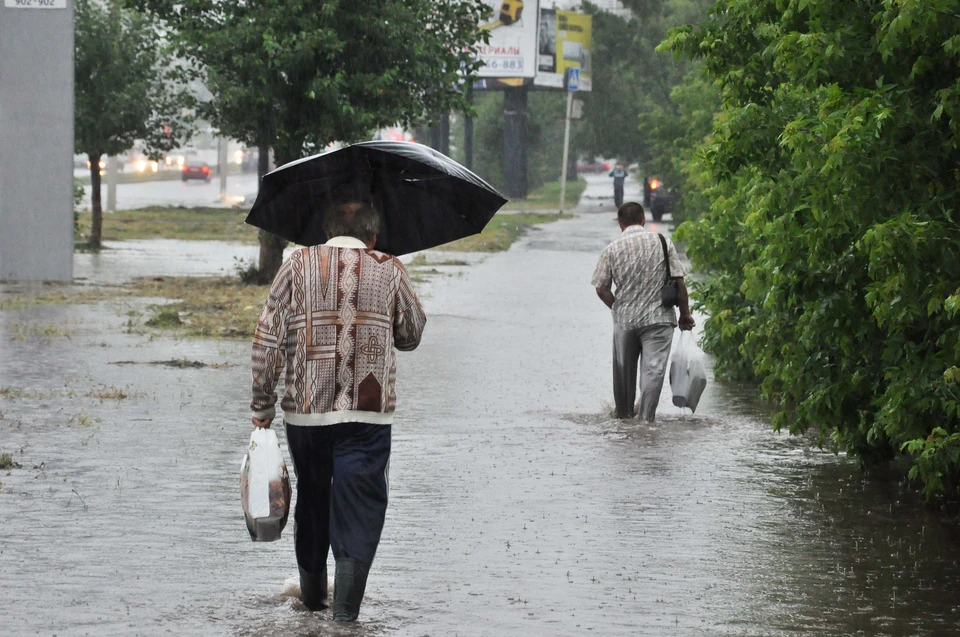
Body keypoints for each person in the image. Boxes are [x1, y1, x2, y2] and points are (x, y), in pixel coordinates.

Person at [250, 201, 426, 622]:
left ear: (326, 231)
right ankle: (345, 620)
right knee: (361, 504)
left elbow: (267, 340)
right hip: (367, 417)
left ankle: (312, 603)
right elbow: (412, 333)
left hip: (306, 415)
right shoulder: (390, 267)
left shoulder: (296, 263)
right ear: (373, 236)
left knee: (312, 499)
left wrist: (262, 406)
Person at [591, 201, 695, 422]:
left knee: (623, 375)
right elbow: (679, 281)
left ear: (620, 224)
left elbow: (601, 288)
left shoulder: (611, 249)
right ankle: (646, 421)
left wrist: (618, 308)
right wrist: (685, 315)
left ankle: (624, 417)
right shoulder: (662, 242)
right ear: (643, 220)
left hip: (625, 322)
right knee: (653, 371)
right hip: (659, 319)